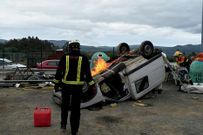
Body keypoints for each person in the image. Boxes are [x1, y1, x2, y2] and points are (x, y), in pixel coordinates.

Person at [53, 40, 95, 135]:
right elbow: (88, 75)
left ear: (69, 48)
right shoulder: (84, 58)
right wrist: (92, 85)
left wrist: (56, 84)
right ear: (78, 48)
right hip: (78, 88)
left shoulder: (65, 57)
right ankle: (74, 131)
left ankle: (63, 125)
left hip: (66, 87)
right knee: (75, 110)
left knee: (65, 106)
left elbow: (59, 72)